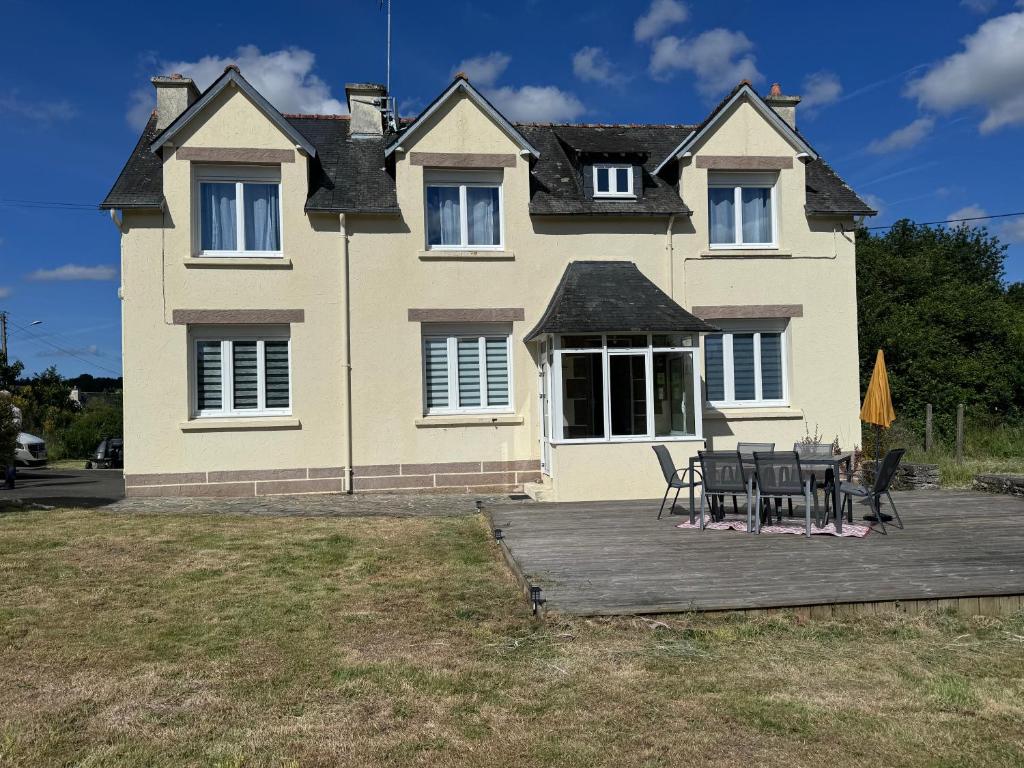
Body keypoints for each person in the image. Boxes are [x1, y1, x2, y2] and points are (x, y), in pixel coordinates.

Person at [1, 390, 19, 489]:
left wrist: (5, 430)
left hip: (9, 437)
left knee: (9, 460)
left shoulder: (14, 410)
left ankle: (10, 482)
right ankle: (7, 481)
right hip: (4, 437)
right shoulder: (3, 409)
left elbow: (16, 425)